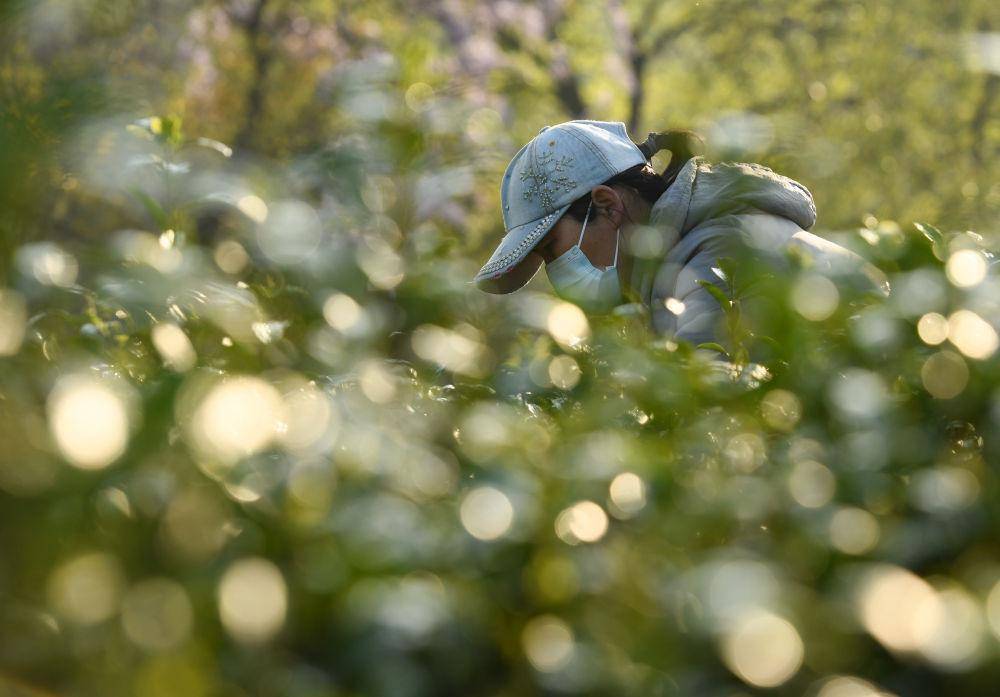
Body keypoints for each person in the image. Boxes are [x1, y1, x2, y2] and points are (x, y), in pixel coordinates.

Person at [471, 120, 887, 347]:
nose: (556, 272)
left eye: (551, 250)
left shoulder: (718, 254)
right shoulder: (678, 264)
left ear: (607, 205)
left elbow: (708, 422)